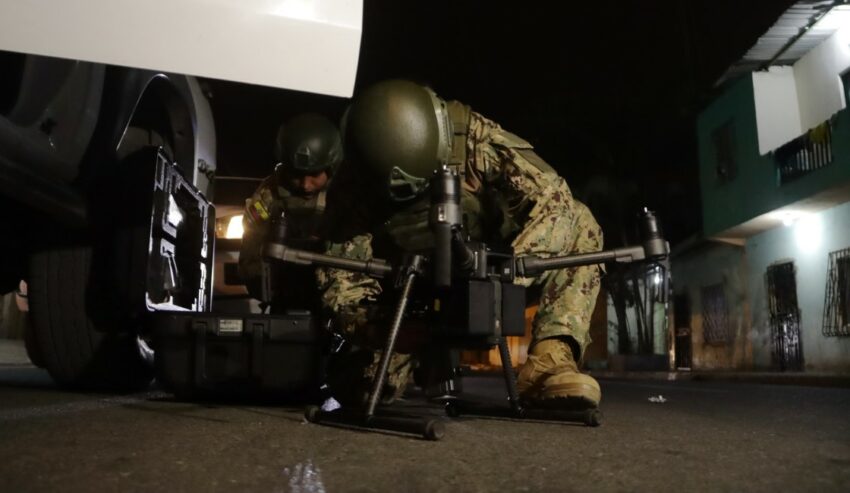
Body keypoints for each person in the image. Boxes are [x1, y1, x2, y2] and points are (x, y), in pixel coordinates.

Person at [318, 80, 603, 410]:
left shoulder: (472, 137)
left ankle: (549, 362)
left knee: (582, 224)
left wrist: (501, 276)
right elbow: (340, 284)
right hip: (407, 300)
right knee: (361, 390)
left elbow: (556, 202)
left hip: (495, 277)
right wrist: (376, 328)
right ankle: (418, 361)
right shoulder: (353, 180)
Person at [239, 113, 343, 313]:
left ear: (331, 168)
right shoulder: (269, 195)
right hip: (285, 294)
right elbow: (249, 260)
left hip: (336, 295)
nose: (305, 185)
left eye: (314, 175)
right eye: (297, 175)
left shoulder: (345, 194)